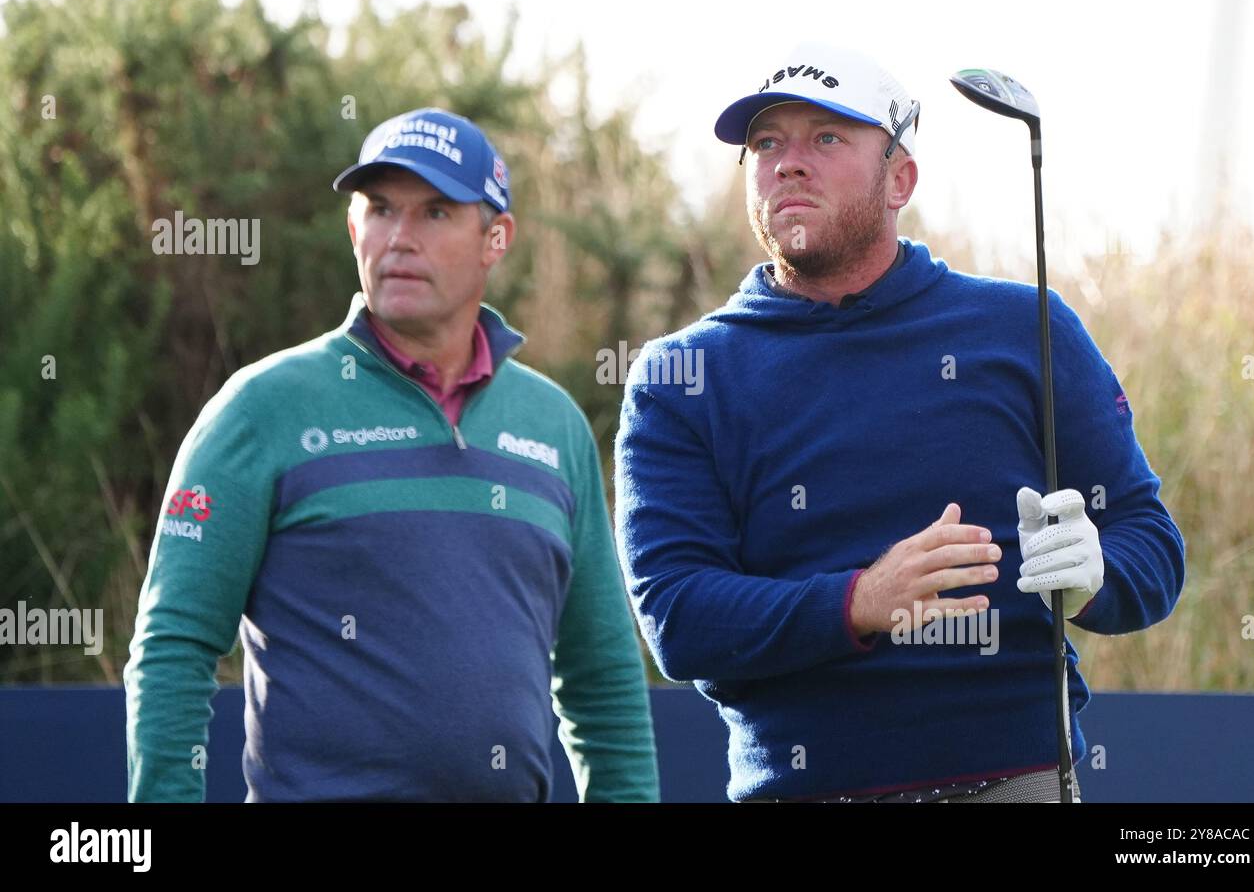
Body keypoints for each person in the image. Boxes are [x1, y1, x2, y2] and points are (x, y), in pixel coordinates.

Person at [613, 43, 1185, 803]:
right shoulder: (681, 375)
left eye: (825, 137)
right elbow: (678, 616)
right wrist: (858, 600)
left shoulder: (1025, 327)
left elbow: (1151, 539)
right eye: (766, 143)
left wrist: (1095, 573)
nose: (788, 163)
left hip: (1015, 780)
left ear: (899, 179)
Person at [125, 107, 659, 802]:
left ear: (496, 237)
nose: (400, 237)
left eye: (435, 213)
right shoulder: (261, 408)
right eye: (380, 209)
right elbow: (175, 643)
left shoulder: (552, 422)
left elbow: (602, 675)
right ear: (354, 229)